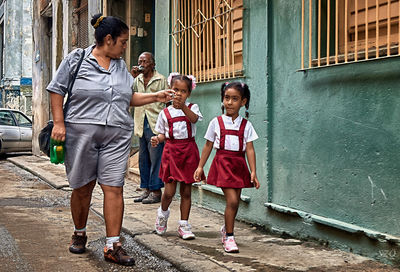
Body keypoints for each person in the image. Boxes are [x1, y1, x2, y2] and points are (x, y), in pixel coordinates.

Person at [47, 14, 174, 266]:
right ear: (108, 39)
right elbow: (56, 89)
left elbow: (128, 98)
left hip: (116, 136)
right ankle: (79, 232)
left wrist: (155, 96)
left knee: (114, 188)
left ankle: (112, 245)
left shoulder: (119, 66)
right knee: (83, 188)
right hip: (82, 134)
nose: (126, 46)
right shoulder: (77, 60)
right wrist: (59, 123)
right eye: (123, 42)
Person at [193, 82, 260, 253]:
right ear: (222, 100)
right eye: (226, 98)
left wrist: (253, 171)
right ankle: (229, 236)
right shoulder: (216, 122)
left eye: (235, 99)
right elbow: (208, 146)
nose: (229, 102)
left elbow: (250, 149)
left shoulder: (247, 125)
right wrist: (200, 167)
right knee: (232, 201)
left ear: (243, 102)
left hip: (239, 165)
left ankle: (226, 229)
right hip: (222, 164)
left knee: (235, 203)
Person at [150, 73, 205, 239]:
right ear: (170, 90)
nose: (179, 94)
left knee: (187, 191)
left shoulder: (192, 108)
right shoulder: (165, 113)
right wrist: (157, 139)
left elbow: (194, 119)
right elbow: (162, 134)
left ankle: (184, 224)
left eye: (183, 91)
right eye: (176, 90)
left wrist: (184, 108)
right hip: (171, 152)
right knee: (169, 191)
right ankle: (162, 214)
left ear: (189, 93)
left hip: (188, 151)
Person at [131, 52, 168, 204]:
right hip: (141, 121)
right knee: (143, 158)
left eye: (145, 61)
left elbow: (168, 103)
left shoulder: (161, 80)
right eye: (140, 61)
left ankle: (156, 191)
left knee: (156, 158)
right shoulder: (137, 80)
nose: (142, 64)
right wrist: (131, 77)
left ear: (152, 64)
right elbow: (128, 94)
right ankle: (146, 189)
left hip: (155, 122)